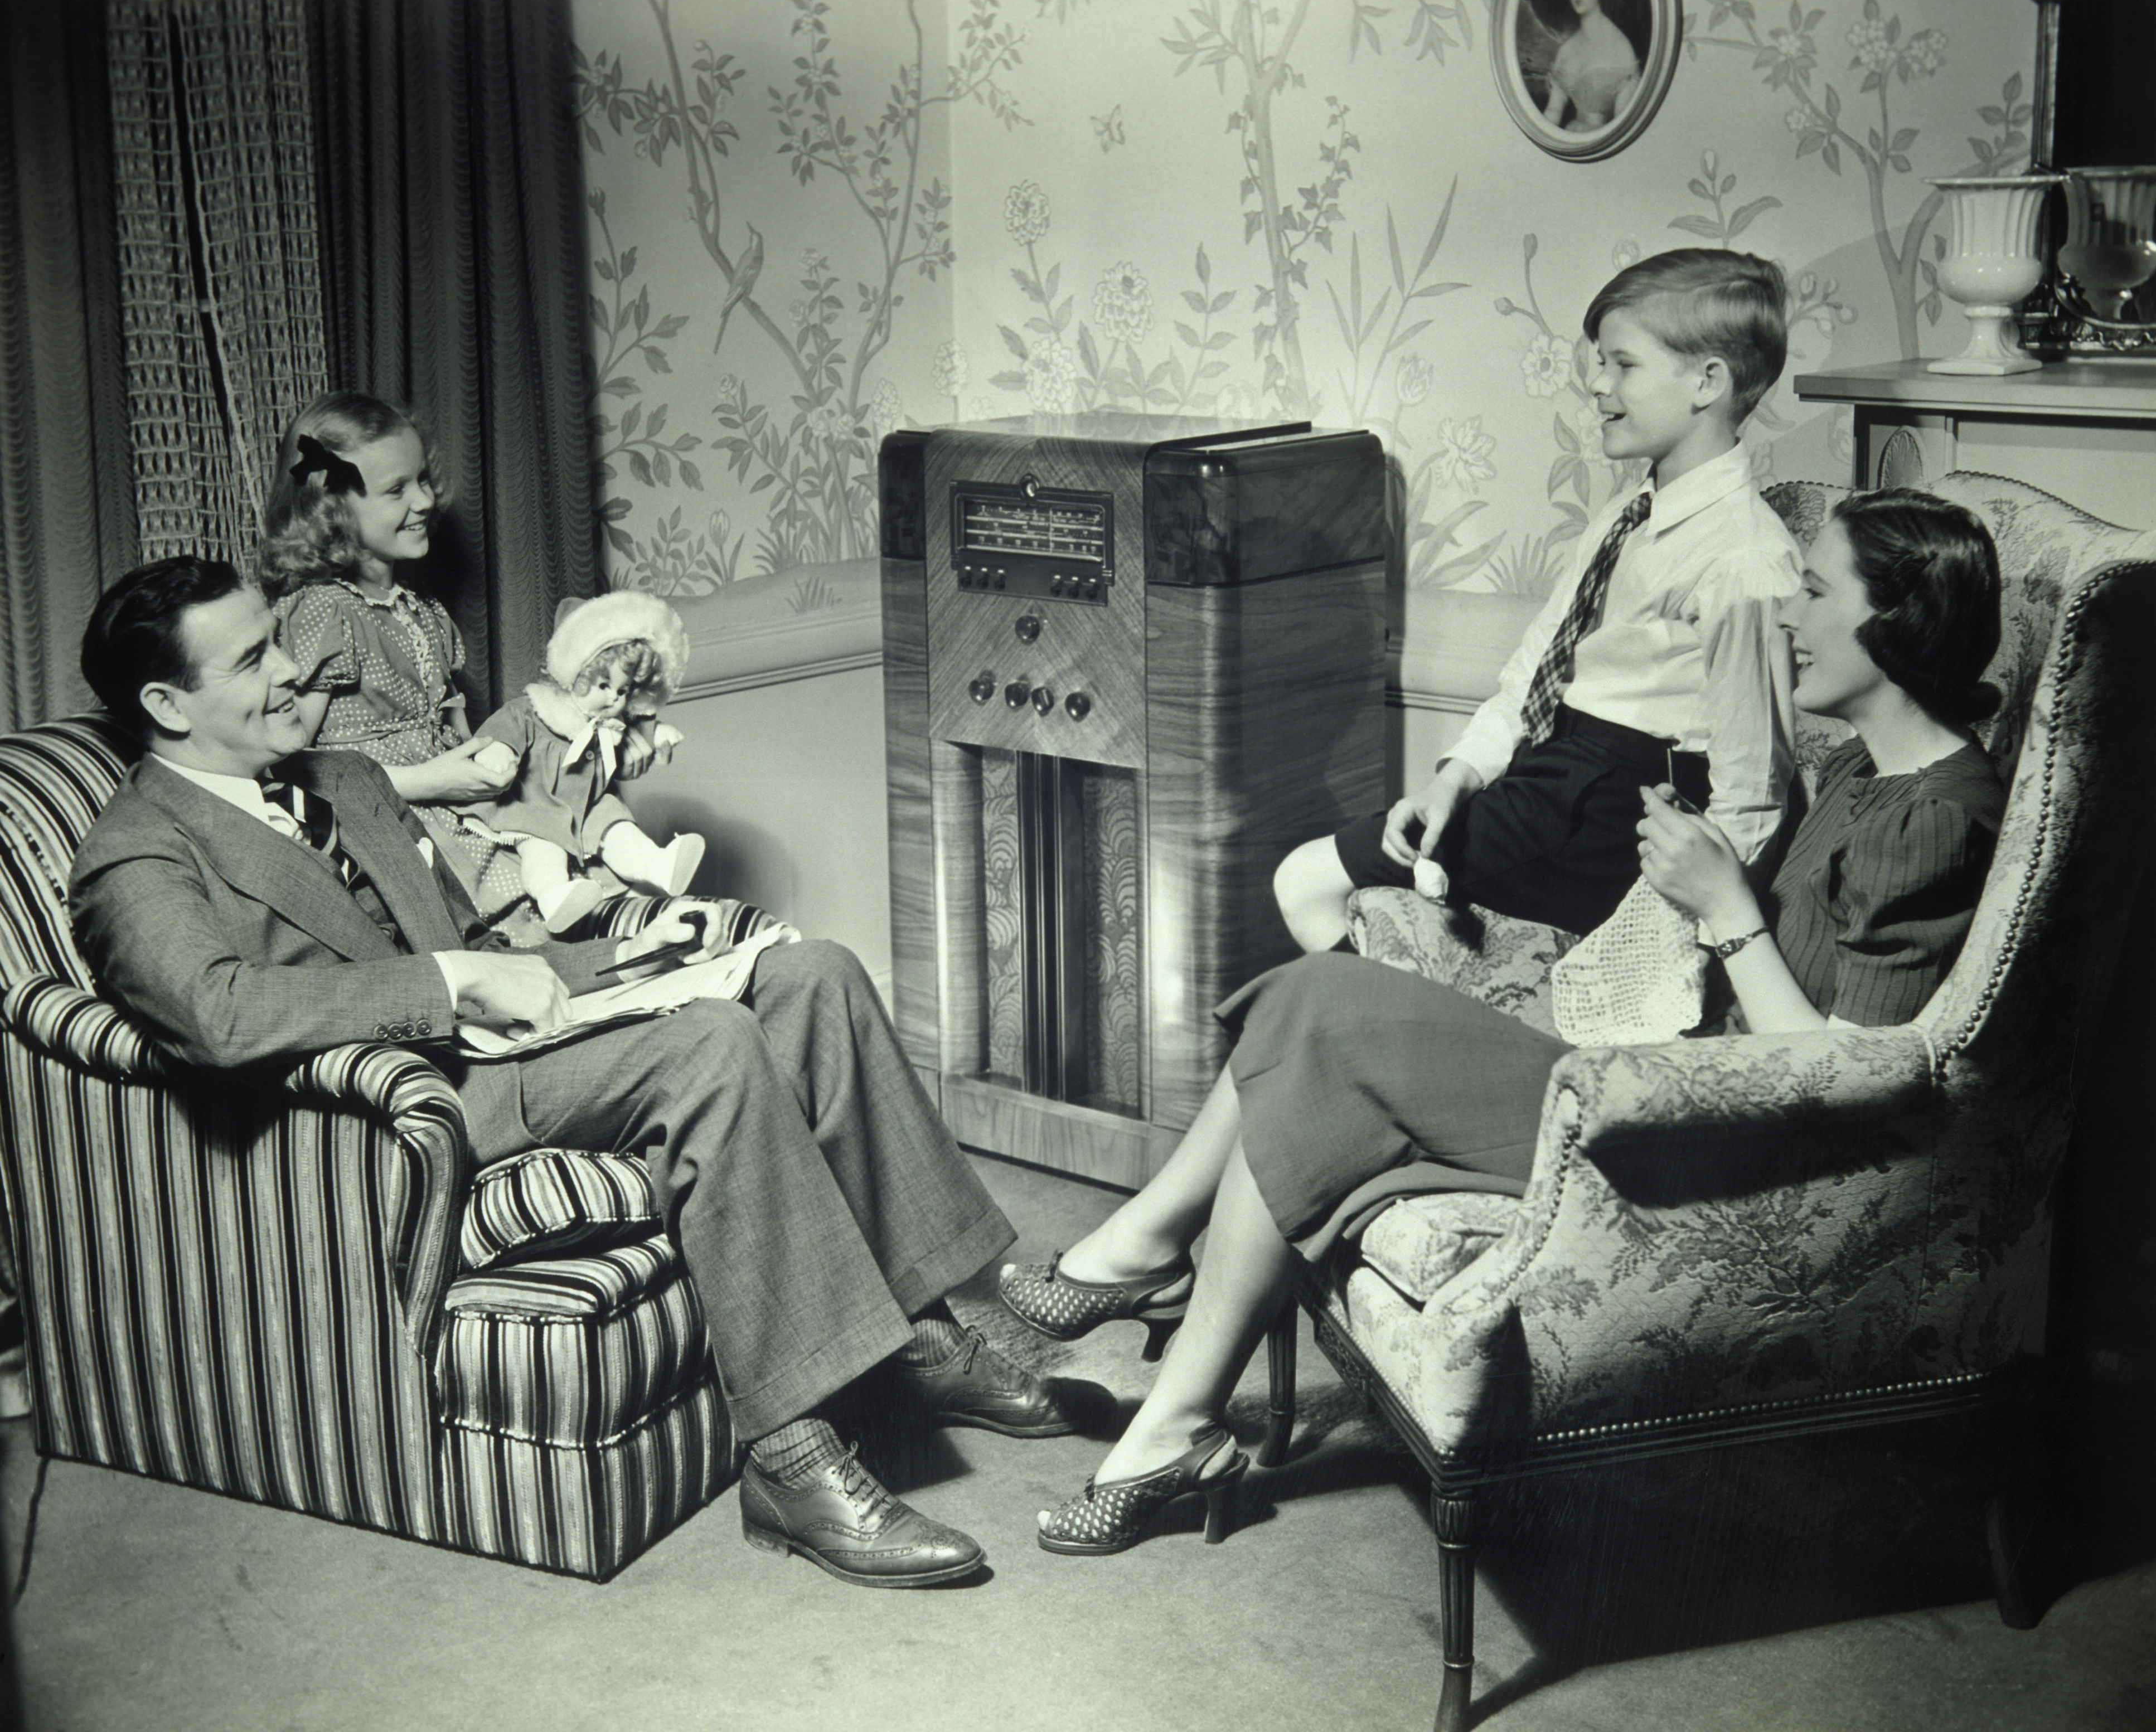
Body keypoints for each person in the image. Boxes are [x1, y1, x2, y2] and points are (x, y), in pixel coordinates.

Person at [1003, 487, 2007, 1555]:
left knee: (1315, 1008)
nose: (1787, 616)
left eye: (1813, 592)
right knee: (1309, 1025)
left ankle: (1153, 1297)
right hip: (1663, 1073)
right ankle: (1172, 1411)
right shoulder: (1861, 770)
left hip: (1714, 1132)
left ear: (1893, 625)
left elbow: (1852, 1080)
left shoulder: (1938, 815)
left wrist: (1727, 915)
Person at [70, 555, 1101, 1590]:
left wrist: (657, 946)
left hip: (504, 1047)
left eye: (280, 640)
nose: (296, 670)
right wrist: (449, 978)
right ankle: (789, 1456)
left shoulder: (345, 781)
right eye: (254, 658)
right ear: (166, 703)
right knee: (711, 1045)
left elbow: (486, 941)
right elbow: (218, 1014)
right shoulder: (138, 852)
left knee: (811, 973)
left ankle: (915, 1339)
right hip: (402, 1111)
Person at [1274, 248, 1801, 950]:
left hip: (1615, 814)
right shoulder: (1629, 514)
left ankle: (1376, 1032)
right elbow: (1534, 675)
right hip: (1555, 776)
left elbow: (1754, 784)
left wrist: (1699, 947)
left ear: (1707, 382)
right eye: (1599, 361)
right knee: (1341, 880)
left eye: (1623, 363)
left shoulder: (1745, 558)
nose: (1596, 382)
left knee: (1306, 880)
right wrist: (1456, 779)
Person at [258, 393, 530, 927]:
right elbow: (295, 764)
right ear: (330, 511)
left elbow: (455, 720)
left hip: (457, 807)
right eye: (396, 490)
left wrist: (488, 763)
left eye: (422, 479)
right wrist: (428, 782)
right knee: (499, 925)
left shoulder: (419, 607)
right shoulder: (325, 612)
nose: (424, 500)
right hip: (391, 821)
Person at [464, 590, 708, 933]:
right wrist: (500, 749)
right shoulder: (538, 708)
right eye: (604, 685)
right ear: (573, 675)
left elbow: (627, 752)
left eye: (623, 691)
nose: (613, 698)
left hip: (588, 808)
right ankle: (554, 897)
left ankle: (659, 865)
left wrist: (659, 735)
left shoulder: (609, 727)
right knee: (543, 851)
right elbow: (508, 725)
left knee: (618, 826)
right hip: (534, 805)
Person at [1535, 0, 1642, 132]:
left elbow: (1623, 128)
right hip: (1570, 138)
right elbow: (1554, 111)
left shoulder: (1621, 49)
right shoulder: (1567, 50)